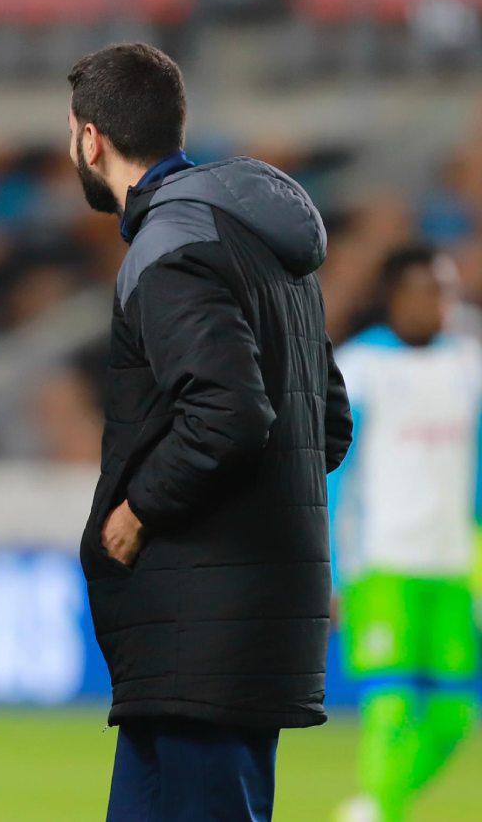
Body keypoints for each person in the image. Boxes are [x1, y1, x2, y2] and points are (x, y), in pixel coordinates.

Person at [67, 43, 353, 821]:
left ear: (90, 139)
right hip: (224, 624)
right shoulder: (264, 243)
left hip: (203, 632)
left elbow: (229, 414)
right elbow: (325, 426)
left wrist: (140, 511)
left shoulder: (170, 247)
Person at [330, 245, 481, 822]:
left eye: (445, 292)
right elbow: (334, 475)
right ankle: (384, 814)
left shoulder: (470, 366)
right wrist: (334, 570)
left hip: (451, 568)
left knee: (453, 718)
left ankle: (373, 808)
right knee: (391, 708)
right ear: (395, 296)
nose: (440, 304)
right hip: (383, 565)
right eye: (427, 292)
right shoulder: (360, 369)